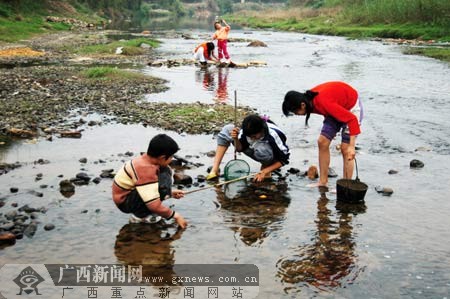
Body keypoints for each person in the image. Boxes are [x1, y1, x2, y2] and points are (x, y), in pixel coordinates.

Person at [282, 81, 363, 187]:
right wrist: (331, 132)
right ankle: (323, 182)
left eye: (295, 112)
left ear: (302, 105)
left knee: (345, 149)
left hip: (352, 108)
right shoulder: (309, 100)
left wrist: (352, 146)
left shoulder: (322, 101)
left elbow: (352, 119)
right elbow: (327, 109)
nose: (296, 115)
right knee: (322, 141)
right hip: (335, 107)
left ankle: (346, 185)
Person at [112, 134, 188, 229]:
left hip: (131, 193)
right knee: (165, 173)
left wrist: (170, 193)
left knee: (165, 170)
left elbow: (145, 187)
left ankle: (144, 210)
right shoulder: (145, 169)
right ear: (162, 157)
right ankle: (142, 216)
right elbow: (154, 206)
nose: (171, 159)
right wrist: (175, 216)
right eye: (171, 157)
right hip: (124, 201)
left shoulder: (146, 159)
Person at [206, 114, 290, 182]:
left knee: (262, 149)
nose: (252, 138)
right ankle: (215, 169)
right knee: (228, 129)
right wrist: (235, 139)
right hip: (254, 150)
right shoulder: (247, 132)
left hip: (271, 155)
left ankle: (266, 166)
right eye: (250, 137)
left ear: (261, 130)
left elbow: (284, 160)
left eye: (254, 136)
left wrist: (265, 171)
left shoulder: (273, 136)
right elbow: (240, 149)